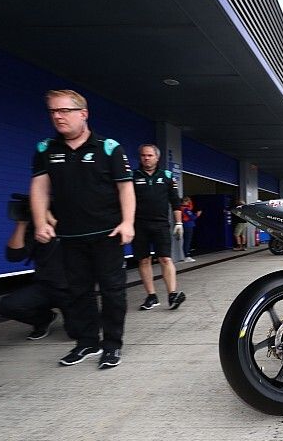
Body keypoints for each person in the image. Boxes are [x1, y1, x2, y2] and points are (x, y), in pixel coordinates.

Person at [31, 89, 135, 369]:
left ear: (83, 114)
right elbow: (40, 188)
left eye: (64, 111)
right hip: (70, 236)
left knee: (113, 292)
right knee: (78, 292)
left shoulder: (109, 148)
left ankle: (112, 345)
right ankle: (87, 342)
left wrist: (127, 223)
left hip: (107, 234)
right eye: (53, 111)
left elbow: (125, 187)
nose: (57, 117)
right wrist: (40, 222)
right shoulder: (45, 149)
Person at [0, 194, 70, 340]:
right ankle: (44, 319)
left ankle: (89, 315)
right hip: (45, 287)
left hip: (74, 288)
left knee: (78, 332)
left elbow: (73, 238)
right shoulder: (36, 229)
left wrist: (51, 219)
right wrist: (21, 224)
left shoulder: (73, 219)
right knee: (7, 306)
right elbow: (14, 256)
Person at [133, 144, 186, 311]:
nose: (146, 158)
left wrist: (179, 223)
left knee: (165, 259)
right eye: (143, 155)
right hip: (139, 225)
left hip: (161, 224)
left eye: (149, 155)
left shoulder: (167, 176)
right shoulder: (133, 176)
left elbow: (175, 202)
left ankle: (172, 295)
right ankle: (151, 296)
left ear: (157, 157)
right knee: (143, 259)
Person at [180, 196, 201, 260]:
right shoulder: (185, 209)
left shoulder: (182, 208)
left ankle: (187, 254)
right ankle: (187, 256)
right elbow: (192, 217)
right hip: (188, 225)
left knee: (187, 240)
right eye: (188, 201)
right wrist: (197, 214)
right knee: (187, 241)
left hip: (186, 225)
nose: (189, 203)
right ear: (185, 201)